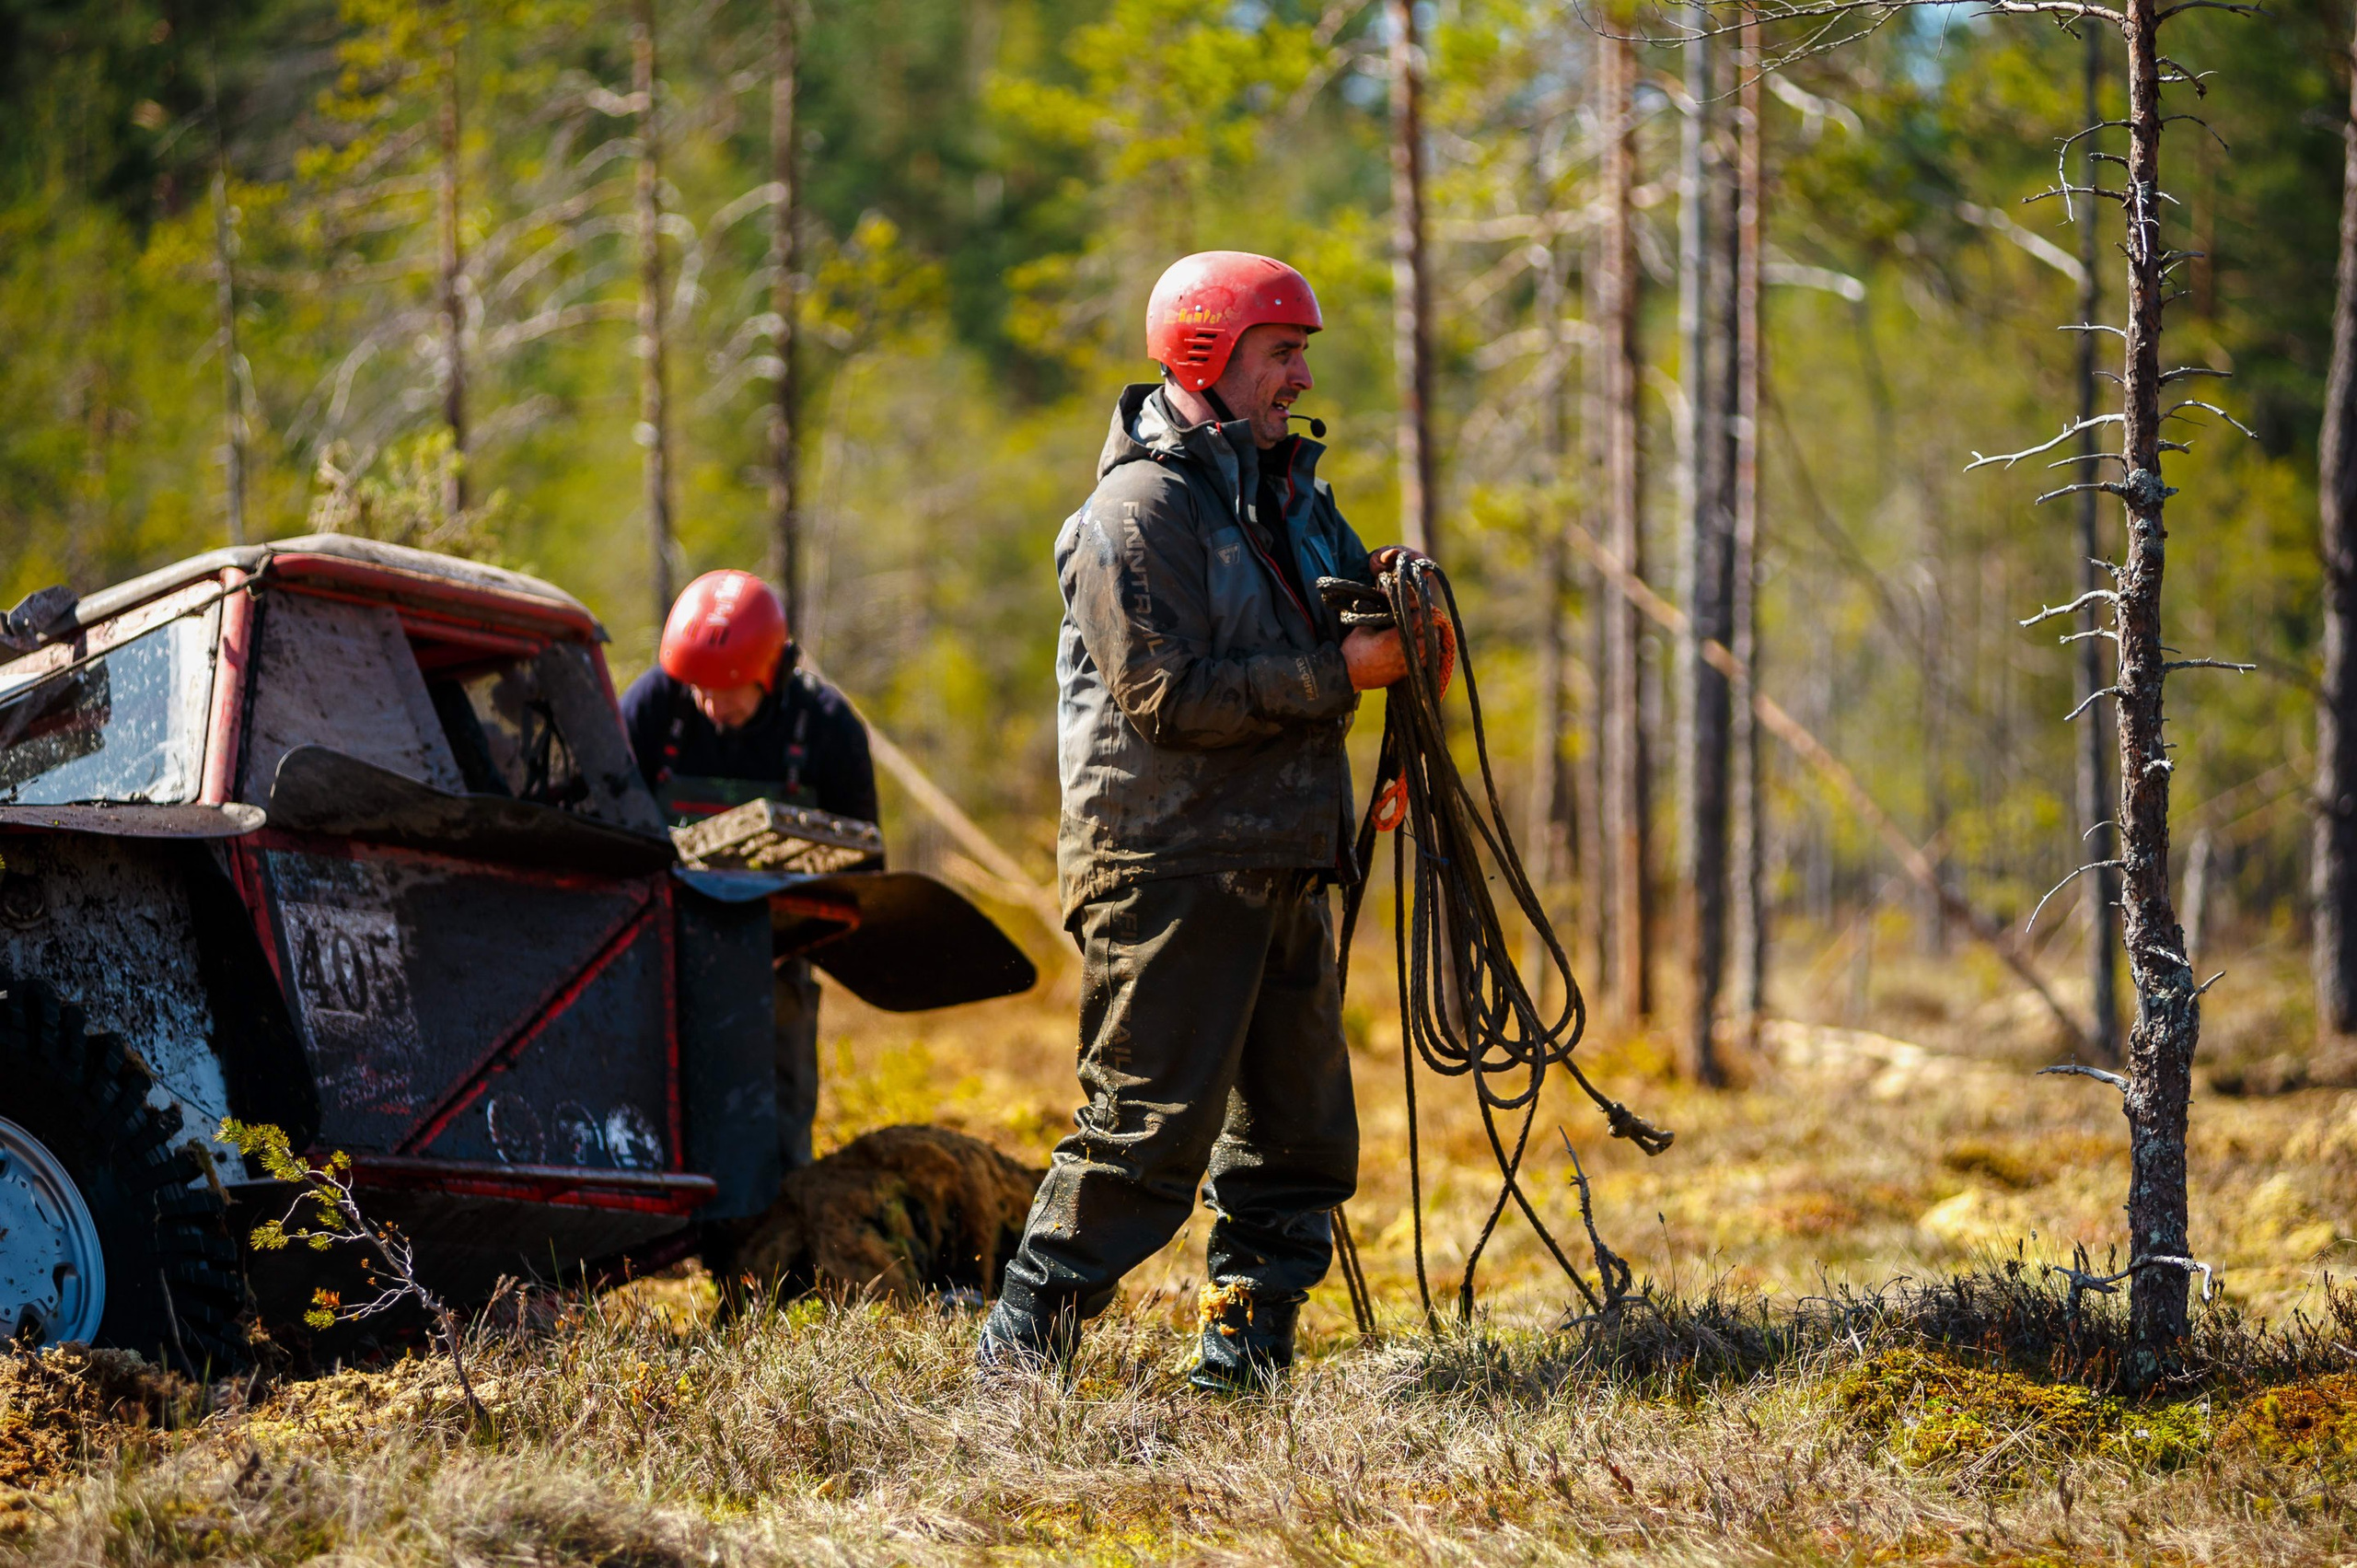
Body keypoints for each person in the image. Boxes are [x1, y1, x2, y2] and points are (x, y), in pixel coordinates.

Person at [979, 250, 1438, 1390]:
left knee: (1301, 1145)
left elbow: (1327, 629)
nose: (1297, 375)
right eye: (1280, 351)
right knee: (1144, 1138)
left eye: (1298, 355)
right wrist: (1343, 670)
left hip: (1280, 857)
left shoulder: (1296, 495)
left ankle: (1243, 1368)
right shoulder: (1134, 512)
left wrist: (1388, 602)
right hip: (1167, 861)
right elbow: (1166, 696)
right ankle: (1014, 1370)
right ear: (1207, 351)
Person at [621, 569, 877, 1171]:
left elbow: (864, 866)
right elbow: (603, 816)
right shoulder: (654, 707)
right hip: (662, 944)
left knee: (776, 1111)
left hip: (776, 953)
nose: (710, 705)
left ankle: (778, 1227)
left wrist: (797, 935)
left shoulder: (828, 727)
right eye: (698, 689)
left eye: (727, 690)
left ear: (772, 671)